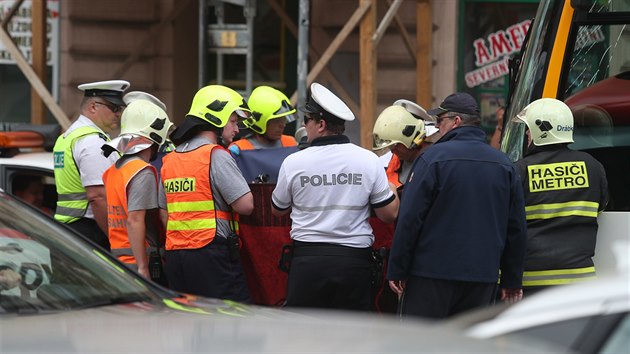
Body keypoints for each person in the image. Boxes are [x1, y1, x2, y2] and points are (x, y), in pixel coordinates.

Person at [387, 92, 527, 319]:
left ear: (456, 121)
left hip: (430, 276)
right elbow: (516, 228)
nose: (437, 127)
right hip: (482, 277)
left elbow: (410, 219)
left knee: (425, 342)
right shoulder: (504, 164)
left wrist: (397, 268)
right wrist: (512, 279)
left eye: (440, 121)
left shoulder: (431, 159)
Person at [271, 82, 399, 311]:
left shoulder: (293, 163)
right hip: (354, 264)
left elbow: (277, 209)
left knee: (304, 336)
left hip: (307, 264)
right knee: (352, 338)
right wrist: (391, 187)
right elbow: (389, 214)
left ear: (320, 125)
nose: (303, 125)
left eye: (307, 119)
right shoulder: (368, 160)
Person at [160, 84, 254, 302]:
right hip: (213, 254)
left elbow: (164, 213)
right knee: (230, 319)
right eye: (233, 121)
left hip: (176, 255)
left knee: (189, 320)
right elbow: (245, 206)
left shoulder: (170, 159)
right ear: (217, 119)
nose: (237, 129)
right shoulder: (216, 155)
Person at [513, 98, 608, 295]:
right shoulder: (592, 166)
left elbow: (508, 225)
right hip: (581, 281)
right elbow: (601, 205)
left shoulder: (520, 170)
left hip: (533, 283)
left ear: (541, 131)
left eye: (529, 129)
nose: (527, 135)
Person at [53, 80, 130, 250]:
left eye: (120, 109)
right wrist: (118, 240)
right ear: (93, 106)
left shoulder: (67, 137)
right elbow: (98, 197)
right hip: (88, 231)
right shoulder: (93, 142)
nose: (118, 114)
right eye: (114, 107)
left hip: (68, 230)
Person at [101, 99, 173, 281]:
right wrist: (143, 267)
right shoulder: (142, 172)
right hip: (140, 260)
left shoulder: (114, 170)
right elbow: (134, 220)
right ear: (155, 136)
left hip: (119, 258)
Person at [372, 100, 440, 189]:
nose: (392, 151)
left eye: (396, 145)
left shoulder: (437, 161)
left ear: (414, 138)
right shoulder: (391, 162)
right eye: (390, 146)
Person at [228, 85, 297, 154]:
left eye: (283, 119)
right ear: (259, 122)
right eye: (276, 120)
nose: (283, 125)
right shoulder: (239, 149)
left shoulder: (290, 143)